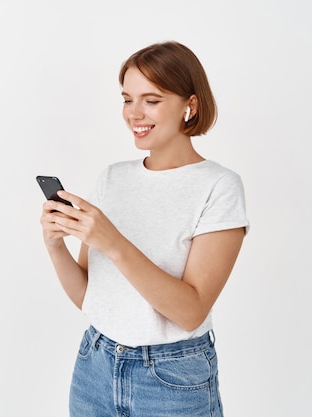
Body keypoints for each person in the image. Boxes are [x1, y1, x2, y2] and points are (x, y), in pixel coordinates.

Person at [39, 41, 249, 417]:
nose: (134, 113)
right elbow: (91, 299)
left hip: (172, 379)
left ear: (190, 105)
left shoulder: (218, 186)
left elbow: (191, 312)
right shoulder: (112, 179)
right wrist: (55, 246)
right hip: (95, 366)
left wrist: (115, 244)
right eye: (127, 99)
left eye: (151, 100)